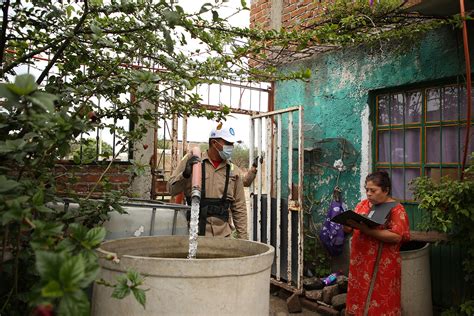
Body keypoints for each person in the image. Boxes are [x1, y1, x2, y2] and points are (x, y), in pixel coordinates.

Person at [344, 171, 410, 316]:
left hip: (382, 266)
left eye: (373, 190)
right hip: (360, 265)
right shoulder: (363, 205)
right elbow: (350, 229)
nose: (368, 194)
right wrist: (346, 223)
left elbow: (396, 236)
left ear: (385, 190)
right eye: (366, 190)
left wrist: (367, 230)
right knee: (358, 299)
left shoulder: (396, 209)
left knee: (381, 300)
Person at [168, 122, 248, 239]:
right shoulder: (193, 162)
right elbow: (171, 189)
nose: (231, 147)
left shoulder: (234, 171)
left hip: (223, 237)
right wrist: (185, 175)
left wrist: (243, 241)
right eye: (228, 143)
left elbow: (239, 208)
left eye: (232, 144)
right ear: (214, 143)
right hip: (194, 235)